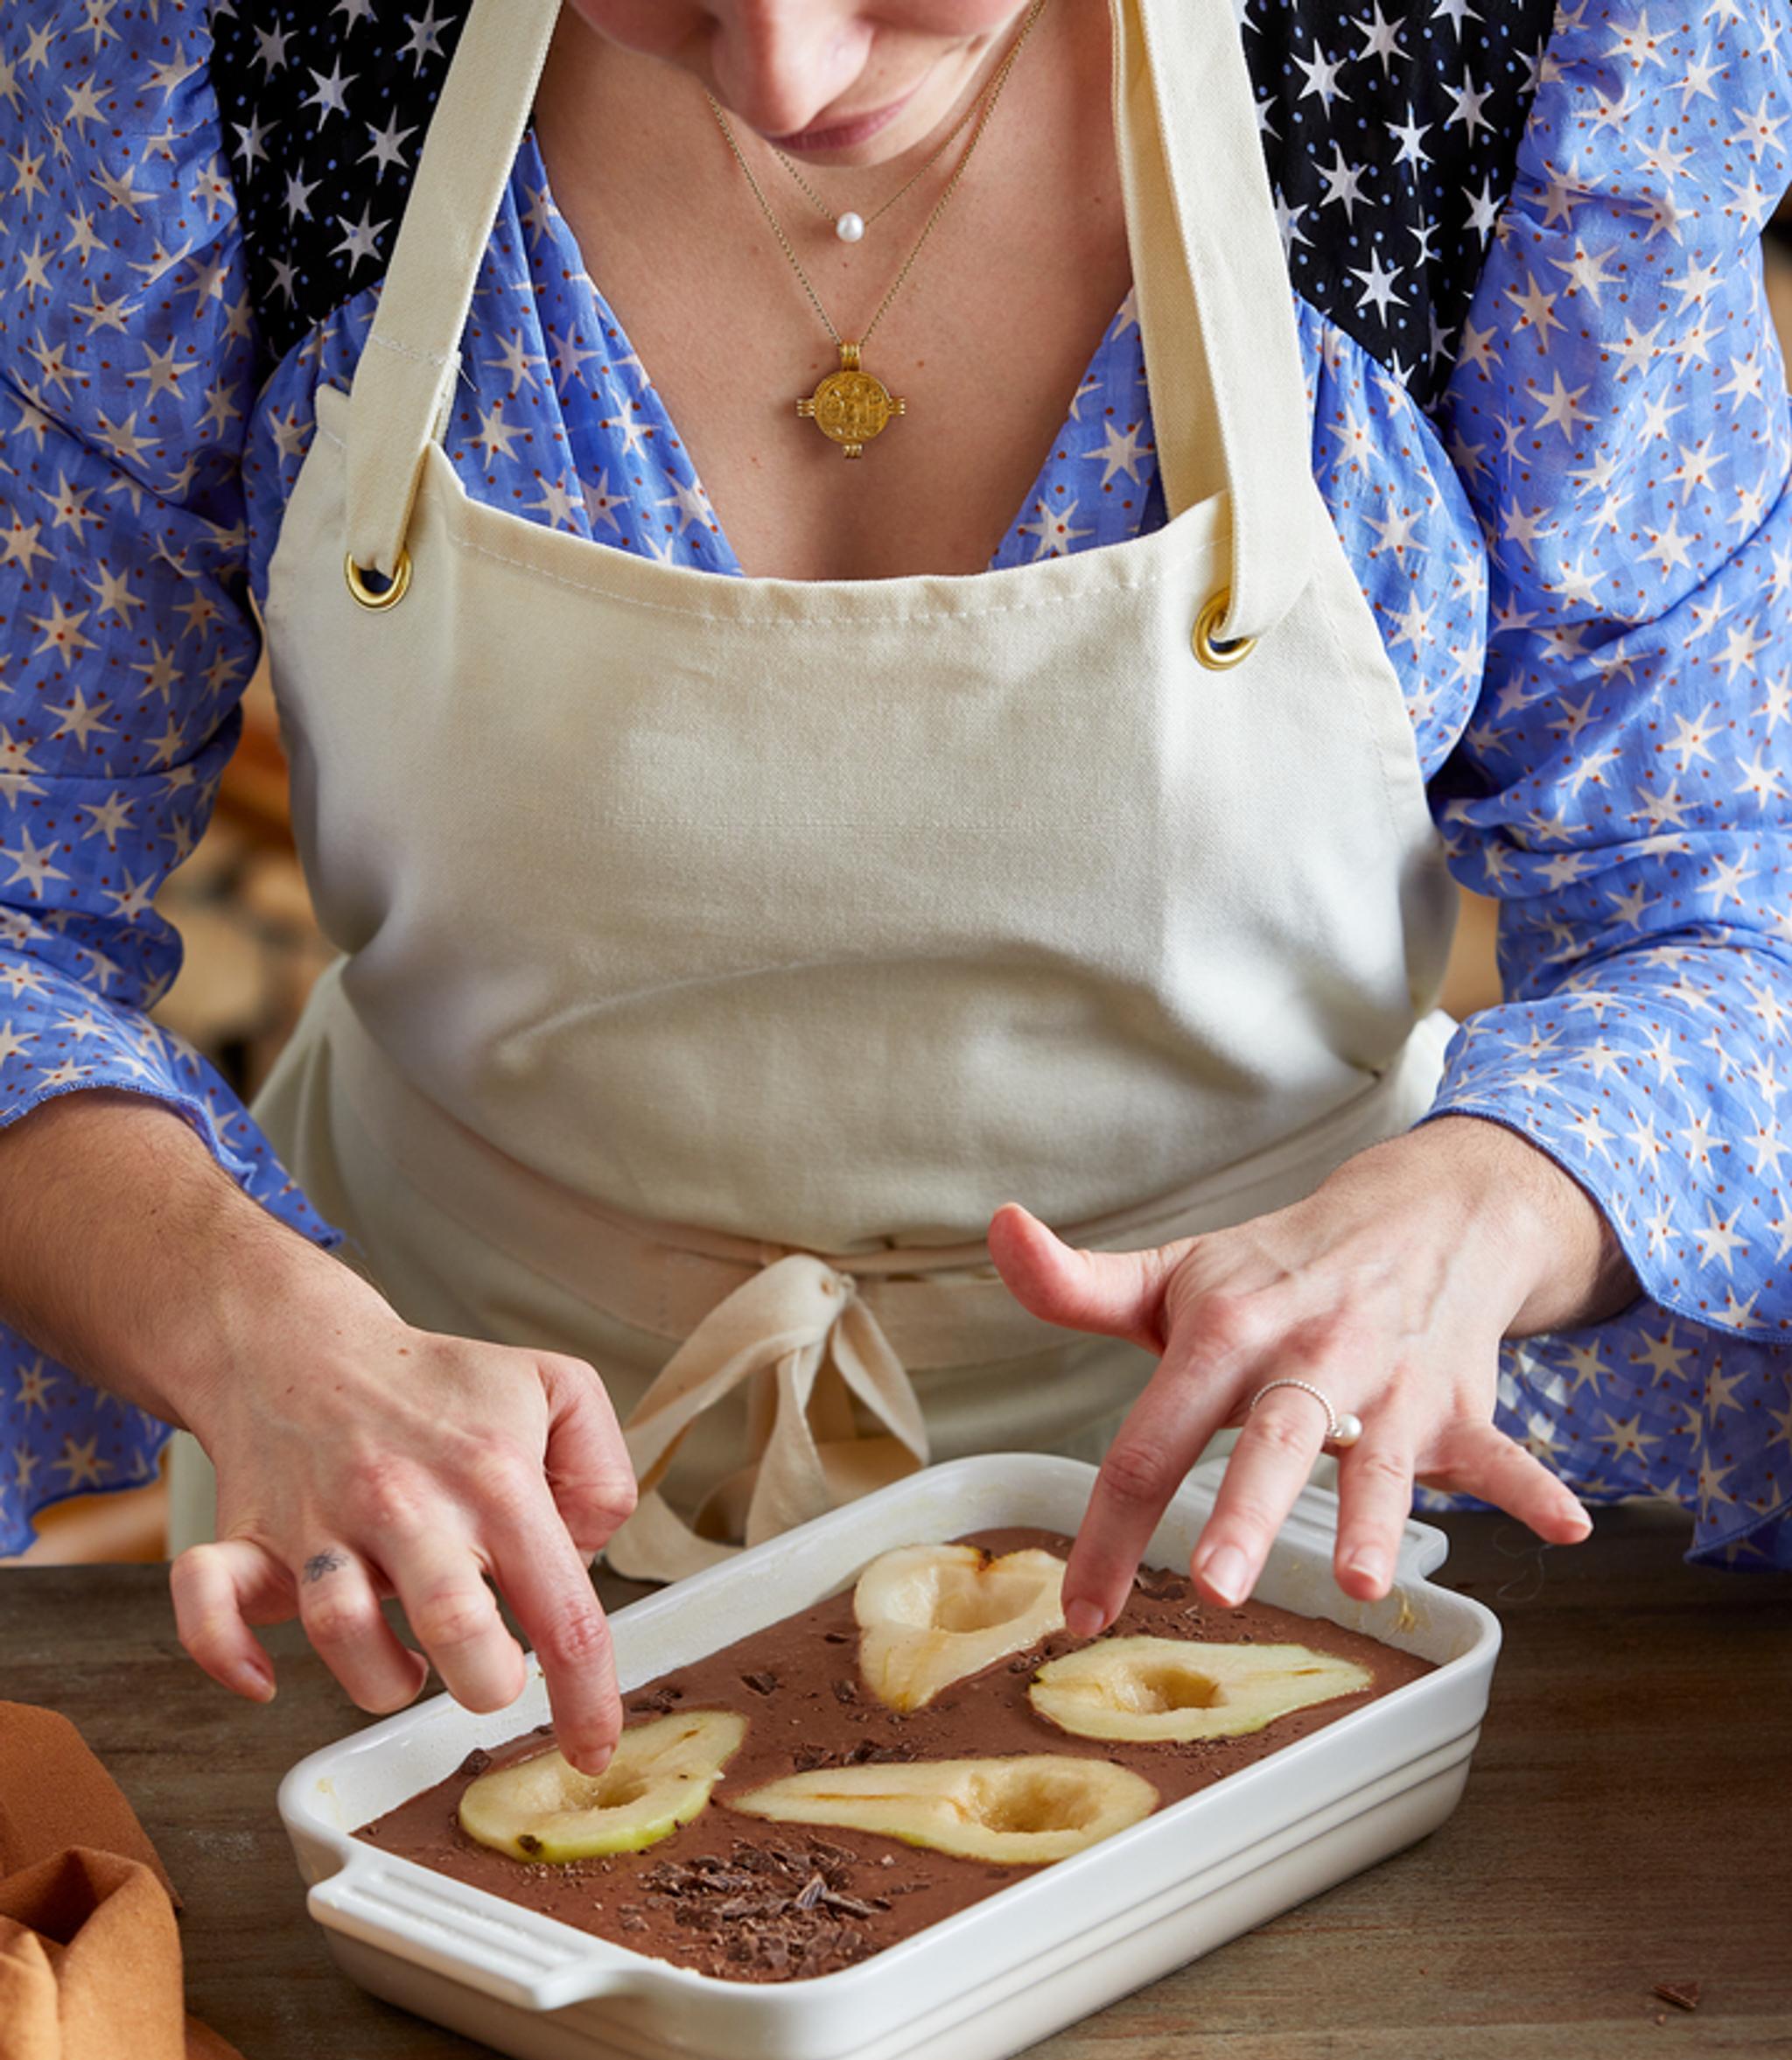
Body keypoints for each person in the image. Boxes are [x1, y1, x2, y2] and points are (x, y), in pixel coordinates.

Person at [1, 0, 1788, 1777]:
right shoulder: (186, 54)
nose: (785, 72)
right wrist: (246, 1328)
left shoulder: (1517, 62)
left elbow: (1726, 919)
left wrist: (1479, 1211)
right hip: (416, 1568)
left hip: (1276, 1561)